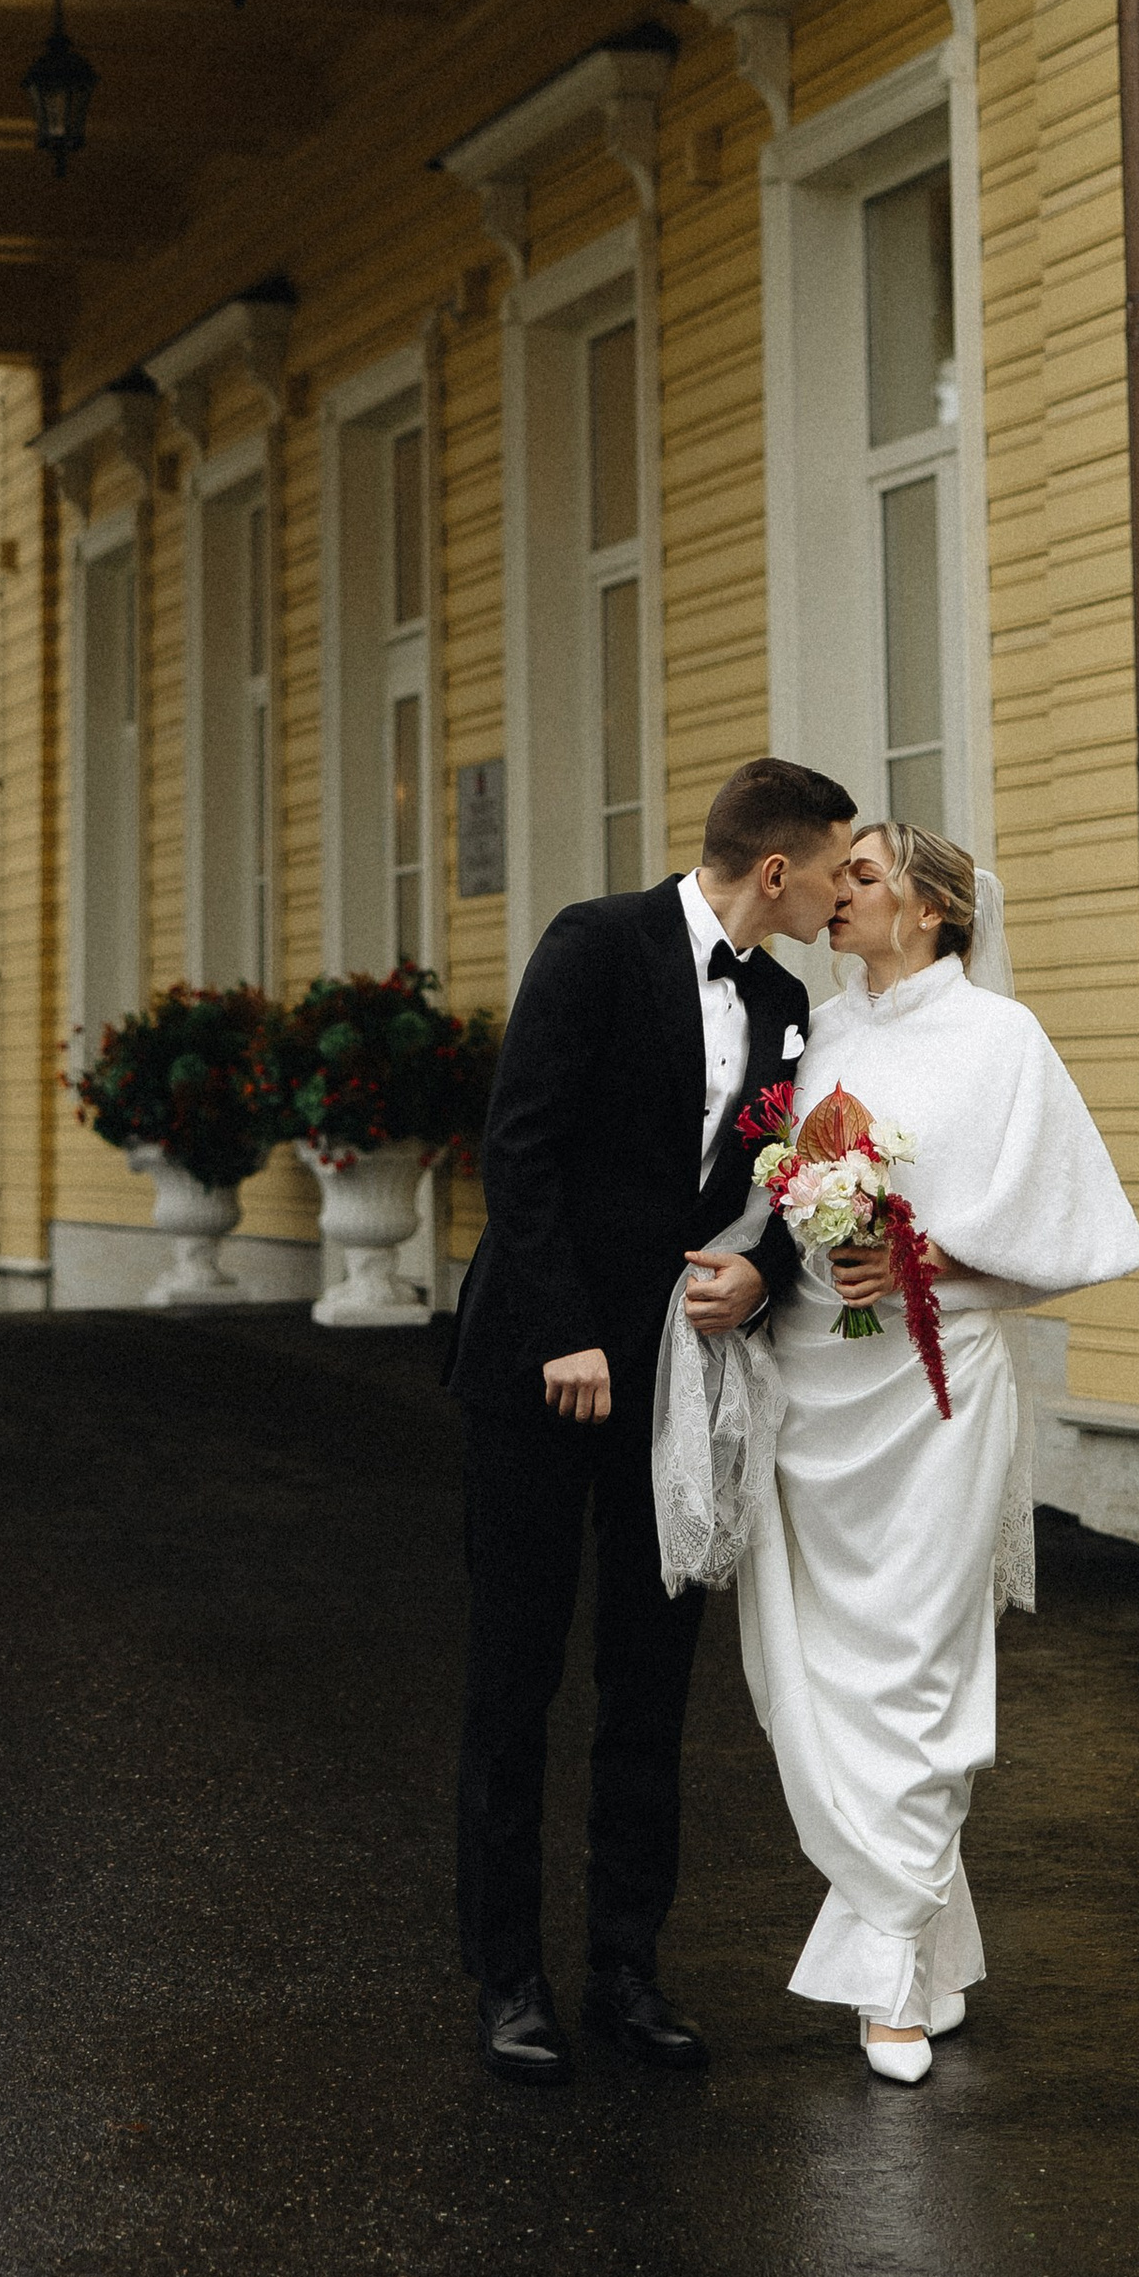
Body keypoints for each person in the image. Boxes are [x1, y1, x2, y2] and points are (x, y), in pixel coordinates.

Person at [447, 756, 858, 2085]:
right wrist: (565, 1327)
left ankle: (628, 1968)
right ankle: (510, 1979)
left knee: (650, 1680)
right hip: (537, 1364)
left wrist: (766, 1273)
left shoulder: (790, 1005)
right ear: (775, 869)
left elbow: (786, 1187)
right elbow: (519, 1147)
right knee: (516, 1677)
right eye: (836, 866)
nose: (847, 889)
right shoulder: (596, 944)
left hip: (681, 1384)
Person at [735, 816, 1139, 2083]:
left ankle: (891, 1977)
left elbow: (1064, 1234)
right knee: (819, 1672)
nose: (836, 893)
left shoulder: (1001, 1040)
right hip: (817, 1389)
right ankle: (926, 1943)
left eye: (862, 876)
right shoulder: (823, 1032)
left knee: (915, 1669)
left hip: (934, 1392)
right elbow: (764, 1192)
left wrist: (922, 1254)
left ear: (934, 912)